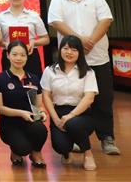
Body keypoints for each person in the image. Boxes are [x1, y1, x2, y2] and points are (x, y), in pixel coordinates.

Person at [47, 0, 118, 155]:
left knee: (103, 100)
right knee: (74, 101)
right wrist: (79, 42)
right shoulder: (57, 0)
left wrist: (91, 41)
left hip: (98, 58)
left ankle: (107, 138)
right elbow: (56, 23)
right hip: (72, 61)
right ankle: (78, 138)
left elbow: (106, 20)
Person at [40, 35, 99, 171]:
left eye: (74, 50)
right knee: (60, 146)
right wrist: (55, 118)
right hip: (58, 112)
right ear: (60, 50)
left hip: (82, 114)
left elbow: (89, 98)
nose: (69, 52)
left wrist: (71, 115)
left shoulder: (88, 72)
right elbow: (46, 96)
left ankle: (88, 153)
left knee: (73, 124)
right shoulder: (50, 71)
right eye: (65, 48)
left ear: (80, 53)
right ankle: (66, 152)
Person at [0, 40, 47, 168]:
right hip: (9, 124)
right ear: (8, 55)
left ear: (27, 56)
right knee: (22, 148)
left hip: (30, 121)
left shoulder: (33, 78)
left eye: (23, 55)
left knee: (40, 129)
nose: (19, 58)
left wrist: (42, 112)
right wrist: (21, 113)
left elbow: (38, 105)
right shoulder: (0, 78)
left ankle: (36, 152)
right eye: (15, 54)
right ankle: (16, 150)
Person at [0, 0, 49, 73]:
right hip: (9, 56)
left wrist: (33, 42)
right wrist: (5, 44)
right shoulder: (0, 17)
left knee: (33, 81)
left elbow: (46, 39)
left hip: (30, 55)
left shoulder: (34, 16)